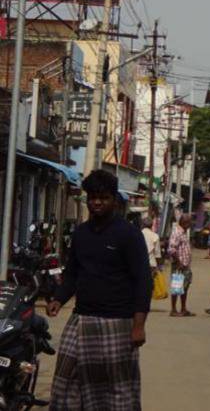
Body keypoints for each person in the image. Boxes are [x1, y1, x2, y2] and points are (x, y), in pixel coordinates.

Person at [47, 170, 151, 410]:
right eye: (92, 197)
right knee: (65, 380)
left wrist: (138, 326)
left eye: (103, 198)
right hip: (81, 319)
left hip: (117, 323)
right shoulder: (81, 233)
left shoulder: (129, 234)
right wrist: (59, 298)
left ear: (114, 199)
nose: (96, 202)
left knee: (116, 389)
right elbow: (73, 272)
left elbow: (143, 281)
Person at [168, 214, 195, 317]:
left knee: (185, 286)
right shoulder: (177, 232)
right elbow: (171, 249)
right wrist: (178, 262)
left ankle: (183, 309)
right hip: (179, 265)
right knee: (176, 287)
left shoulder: (184, 232)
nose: (191, 224)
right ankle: (173, 310)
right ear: (184, 223)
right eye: (189, 222)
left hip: (185, 265)